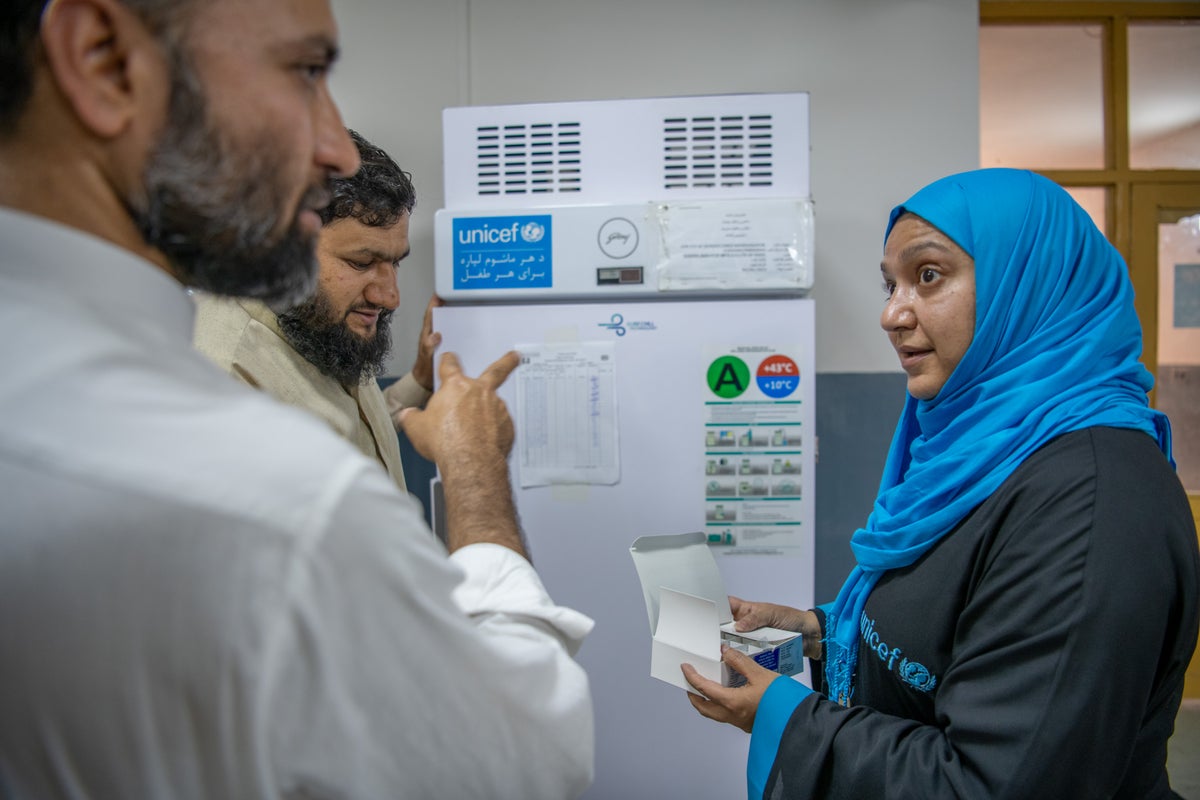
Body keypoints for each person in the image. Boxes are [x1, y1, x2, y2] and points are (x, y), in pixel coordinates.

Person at [0, 1, 593, 798]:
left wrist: (413, 383)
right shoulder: (279, 500)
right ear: (104, 59)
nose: (334, 144)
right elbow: (529, 766)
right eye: (306, 71)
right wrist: (478, 474)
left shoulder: (59, 392)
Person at [682, 168, 1200, 799]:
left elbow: (995, 783)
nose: (891, 314)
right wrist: (816, 634)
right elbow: (955, 629)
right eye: (890, 283)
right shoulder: (982, 450)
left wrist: (784, 717)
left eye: (928, 275)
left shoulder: (1093, 503)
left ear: (1027, 284)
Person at [194, 128, 439, 491]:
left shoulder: (316, 320)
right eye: (361, 262)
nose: (389, 297)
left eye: (394, 263)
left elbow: (341, 430)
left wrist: (419, 379)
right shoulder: (224, 380)